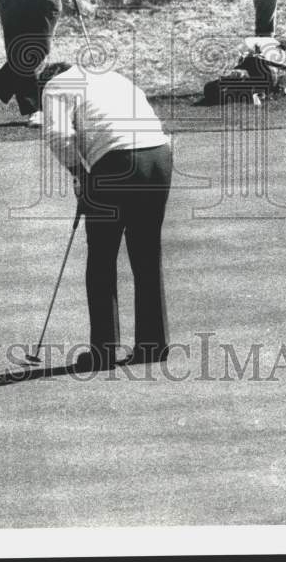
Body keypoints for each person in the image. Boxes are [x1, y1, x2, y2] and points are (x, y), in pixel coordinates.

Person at [39, 61, 173, 371]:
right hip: (159, 156)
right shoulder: (110, 77)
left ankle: (103, 351)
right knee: (146, 251)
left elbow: (58, 136)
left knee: (101, 255)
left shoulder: (53, 86)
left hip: (117, 160)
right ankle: (153, 344)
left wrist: (82, 178)